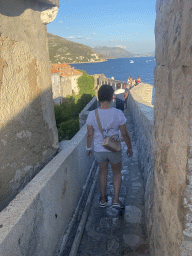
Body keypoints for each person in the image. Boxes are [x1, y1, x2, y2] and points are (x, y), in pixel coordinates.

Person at [86, 84, 133, 208]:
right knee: (117, 172)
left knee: (103, 172)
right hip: (114, 149)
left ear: (99, 96)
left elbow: (89, 134)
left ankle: (102, 200)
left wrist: (88, 148)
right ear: (112, 97)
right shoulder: (118, 113)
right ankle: (116, 200)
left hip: (99, 150)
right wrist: (129, 147)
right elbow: (125, 133)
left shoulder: (92, 114)